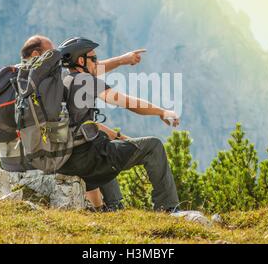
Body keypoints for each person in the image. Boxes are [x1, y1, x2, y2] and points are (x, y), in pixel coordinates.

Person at [0, 35, 145, 209]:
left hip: (7, 158)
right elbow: (87, 74)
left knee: (88, 145)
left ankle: (104, 207)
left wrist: (122, 60)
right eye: (53, 53)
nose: (61, 57)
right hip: (33, 158)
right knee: (94, 150)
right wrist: (117, 137)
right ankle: (111, 206)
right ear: (37, 54)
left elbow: (87, 71)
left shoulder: (17, 79)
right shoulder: (44, 83)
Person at [56, 37, 181, 212]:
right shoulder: (86, 81)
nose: (98, 62)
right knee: (153, 146)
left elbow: (96, 71)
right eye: (94, 59)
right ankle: (169, 208)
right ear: (81, 61)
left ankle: (114, 207)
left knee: (103, 145)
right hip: (85, 160)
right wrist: (162, 112)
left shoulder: (65, 80)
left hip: (66, 158)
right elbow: (126, 102)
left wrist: (123, 60)